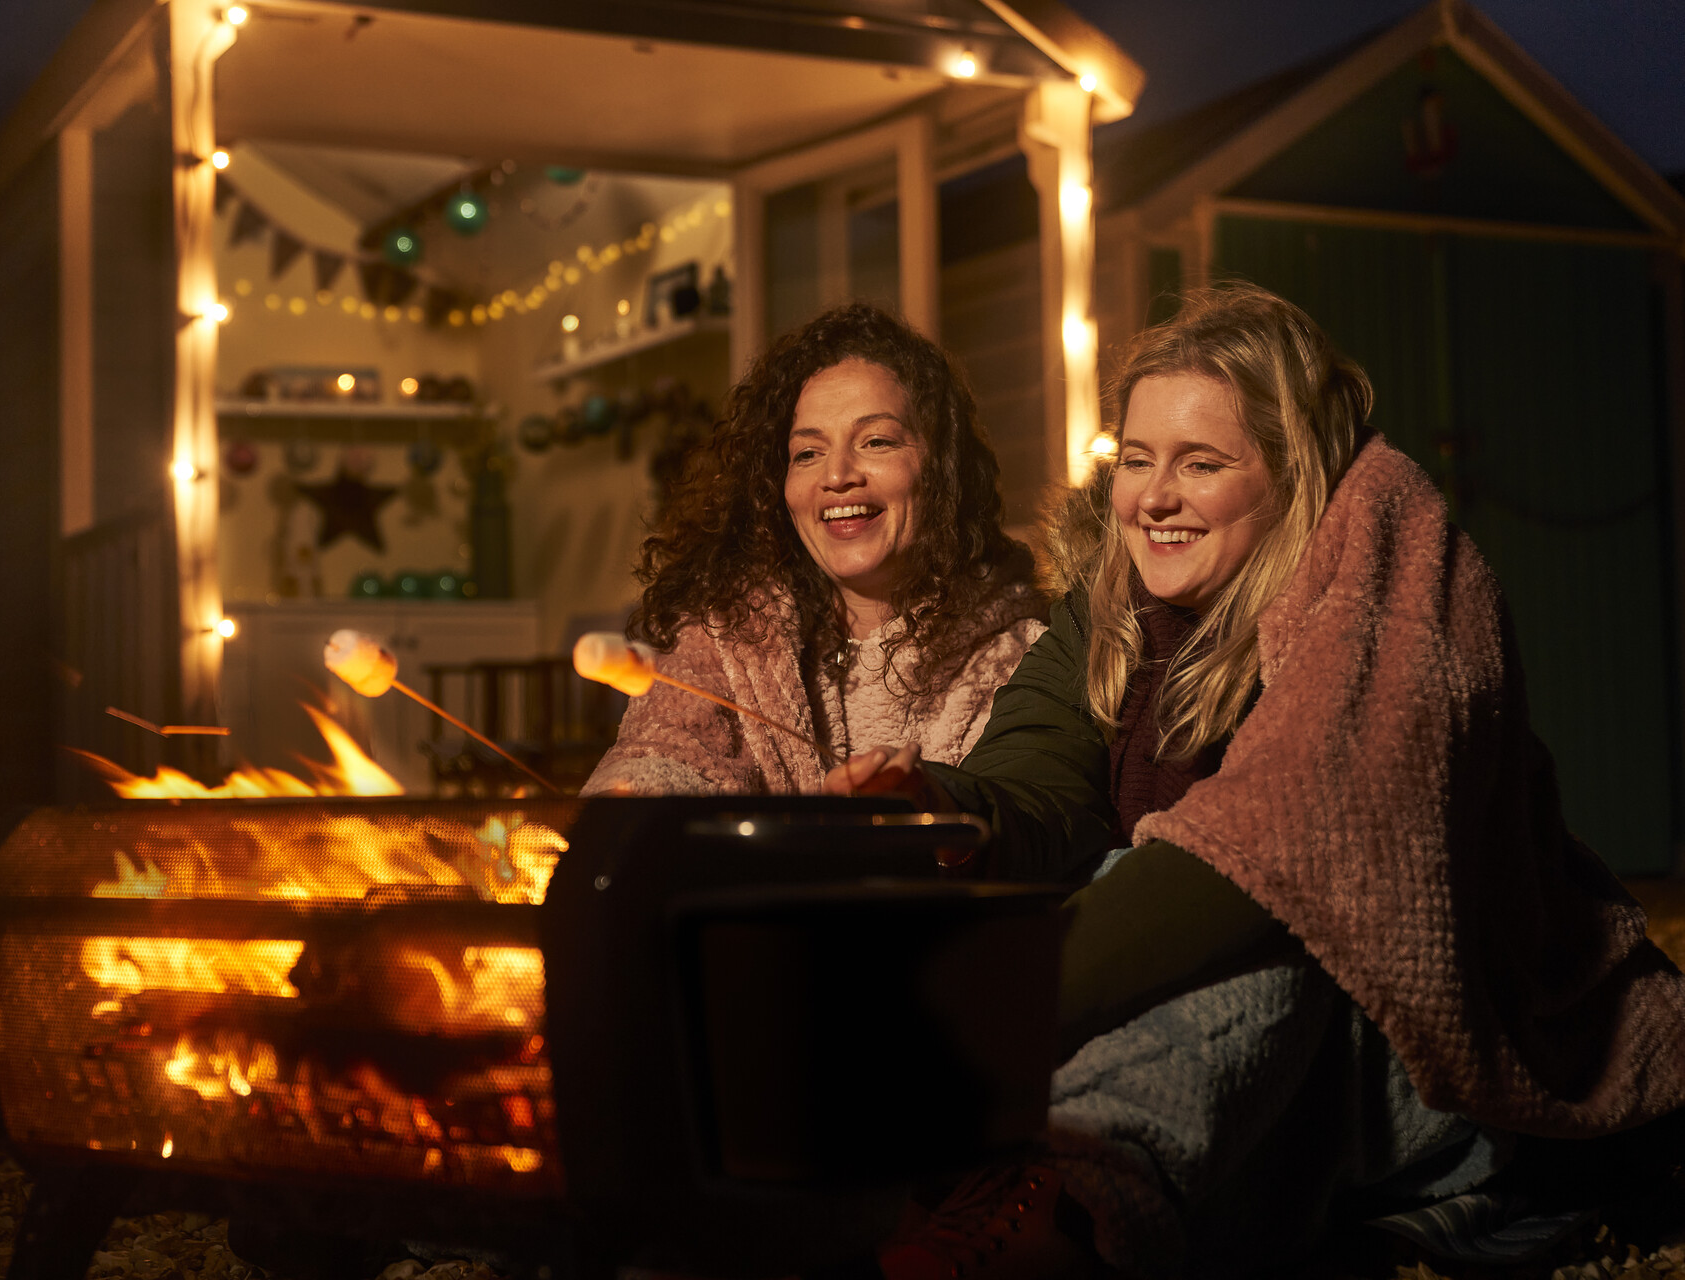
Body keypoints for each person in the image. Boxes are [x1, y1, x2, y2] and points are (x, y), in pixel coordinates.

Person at [830, 283, 1685, 1278]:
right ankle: (982, 1164)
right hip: (1262, 1069)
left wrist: (989, 1005)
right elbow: (1039, 772)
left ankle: (1071, 1204)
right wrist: (946, 805)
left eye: (1200, 462)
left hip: (1462, 1055)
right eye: (1136, 459)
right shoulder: (1115, 600)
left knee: (1267, 929)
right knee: (1081, 888)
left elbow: (1280, 843)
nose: (1152, 497)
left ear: (1292, 472)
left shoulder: (1392, 604)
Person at [582, 302, 1049, 795]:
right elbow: (657, 759)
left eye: (876, 441)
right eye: (807, 453)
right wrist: (631, 802)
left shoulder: (1025, 662)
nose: (837, 475)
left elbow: (1029, 815)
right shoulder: (727, 638)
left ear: (942, 470)